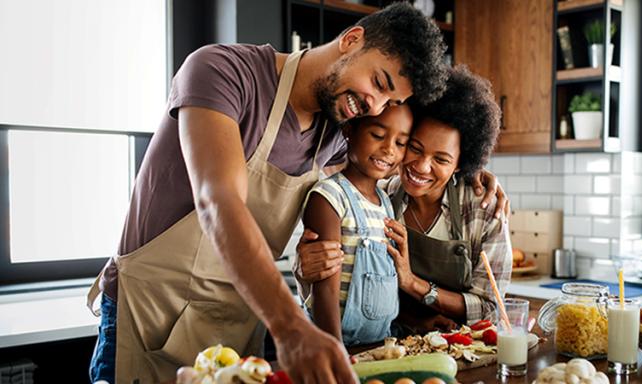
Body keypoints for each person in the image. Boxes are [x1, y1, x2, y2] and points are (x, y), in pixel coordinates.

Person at [87, 4, 450, 384]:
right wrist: (290, 324)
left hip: (236, 327)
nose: (374, 107)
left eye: (390, 103)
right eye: (378, 83)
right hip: (152, 315)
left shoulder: (335, 135)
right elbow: (218, 202)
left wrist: (468, 177)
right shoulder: (222, 72)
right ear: (352, 40)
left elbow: (383, 179)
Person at [297, 66, 512, 335]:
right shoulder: (383, 197)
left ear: (461, 164)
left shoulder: (483, 210)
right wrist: (304, 265)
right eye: (414, 147)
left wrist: (412, 283)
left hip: (464, 346)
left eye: (441, 159)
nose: (421, 167)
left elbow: (490, 306)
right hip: (393, 343)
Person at [302, 105, 412, 346]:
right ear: (349, 130)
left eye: (400, 143)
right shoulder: (329, 197)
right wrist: (335, 352)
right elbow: (326, 290)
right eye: (378, 135)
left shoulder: (385, 203)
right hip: (333, 343)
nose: (388, 149)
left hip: (378, 345)